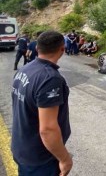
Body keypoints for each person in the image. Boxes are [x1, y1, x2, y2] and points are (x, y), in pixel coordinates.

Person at [11, 30, 73, 176]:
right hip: (39, 157)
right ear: (62, 49)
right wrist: (65, 159)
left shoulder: (24, 69)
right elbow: (48, 129)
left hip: (22, 147)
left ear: (37, 48)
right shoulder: (50, 79)